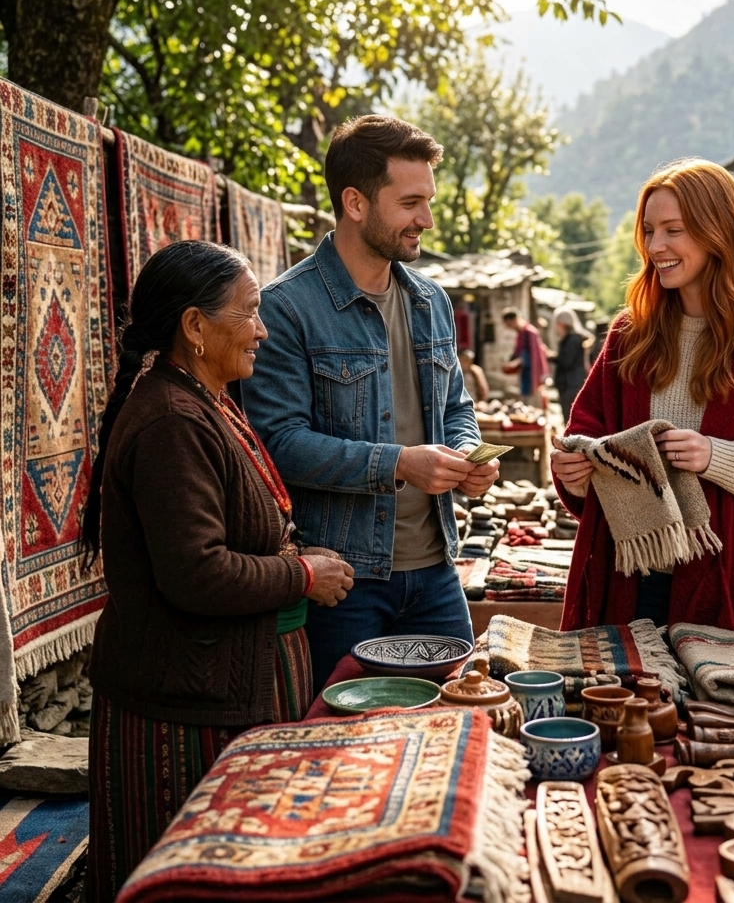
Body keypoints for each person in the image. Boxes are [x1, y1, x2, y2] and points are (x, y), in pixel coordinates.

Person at [82, 241, 354, 901]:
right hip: (186, 715)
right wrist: (302, 577)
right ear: (196, 328)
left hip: (219, 694)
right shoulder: (173, 422)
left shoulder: (205, 402)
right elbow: (195, 574)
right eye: (251, 312)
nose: (262, 328)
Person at [244, 115, 500, 691]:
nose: (426, 220)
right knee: (349, 748)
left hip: (436, 573)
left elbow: (455, 404)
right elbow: (277, 446)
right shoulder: (286, 308)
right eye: (410, 202)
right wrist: (400, 464)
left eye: (427, 201)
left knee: (453, 721)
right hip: (346, 579)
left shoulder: (430, 299)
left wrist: (467, 455)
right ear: (355, 203)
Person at [550, 159, 734, 631]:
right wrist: (574, 471)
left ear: (719, 232)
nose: (655, 247)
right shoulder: (631, 333)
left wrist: (716, 456)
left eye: (674, 230)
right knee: (634, 706)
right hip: (636, 578)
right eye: (649, 230)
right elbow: (586, 431)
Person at [501, 307, 549, 405]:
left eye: (509, 323)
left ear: (515, 320)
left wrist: (516, 363)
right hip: (525, 373)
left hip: (533, 373)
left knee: (533, 404)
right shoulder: (521, 333)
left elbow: (533, 355)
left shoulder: (529, 332)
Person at [551, 306, 592, 420]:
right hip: (570, 384)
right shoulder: (570, 339)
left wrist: (552, 357)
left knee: (570, 417)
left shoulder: (573, 339)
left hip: (571, 384)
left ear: (561, 323)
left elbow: (566, 362)